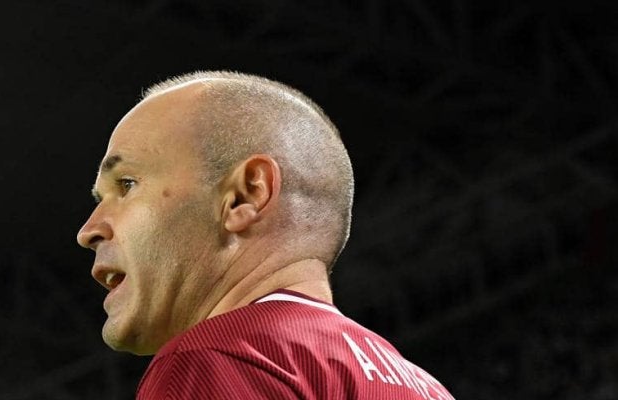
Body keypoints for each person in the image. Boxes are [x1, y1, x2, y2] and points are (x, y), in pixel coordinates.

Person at [76, 70, 454, 399]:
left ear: (244, 196)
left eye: (126, 184)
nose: (88, 231)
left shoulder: (220, 358)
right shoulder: (426, 387)